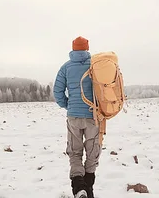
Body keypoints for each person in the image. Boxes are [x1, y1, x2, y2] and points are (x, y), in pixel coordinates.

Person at [54, 36, 100, 198]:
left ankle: (79, 186)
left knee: (74, 152)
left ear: (73, 49)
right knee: (93, 151)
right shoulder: (95, 65)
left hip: (73, 116)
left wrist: (69, 105)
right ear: (87, 49)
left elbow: (57, 92)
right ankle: (89, 188)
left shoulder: (65, 68)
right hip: (92, 115)